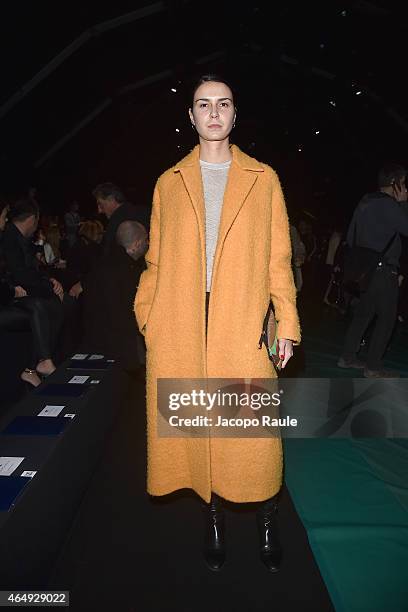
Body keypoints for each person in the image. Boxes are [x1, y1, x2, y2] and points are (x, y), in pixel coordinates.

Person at [134, 74, 300, 572]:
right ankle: (213, 521)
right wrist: (147, 314)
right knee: (199, 426)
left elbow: (279, 259)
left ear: (234, 114)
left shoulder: (263, 178)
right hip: (182, 324)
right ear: (190, 115)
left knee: (253, 436)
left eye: (222, 104)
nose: (213, 113)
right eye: (203, 104)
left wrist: (286, 323)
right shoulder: (169, 182)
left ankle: (268, 518)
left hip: (241, 320)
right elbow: (156, 260)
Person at [338, 163, 408, 377]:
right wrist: (404, 203)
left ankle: (347, 357)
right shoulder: (391, 206)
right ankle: (373, 366)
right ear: (395, 184)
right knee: (387, 318)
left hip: (362, 269)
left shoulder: (365, 201)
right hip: (384, 269)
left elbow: (351, 236)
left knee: (363, 314)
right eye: (404, 183)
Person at [2, 199, 67, 377]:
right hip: (12, 295)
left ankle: (39, 363)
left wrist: (50, 281)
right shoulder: (9, 238)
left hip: (18, 292)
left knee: (54, 304)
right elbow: (19, 274)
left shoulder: (19, 239)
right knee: (43, 305)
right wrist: (47, 286)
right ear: (32, 219)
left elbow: (32, 271)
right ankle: (41, 362)